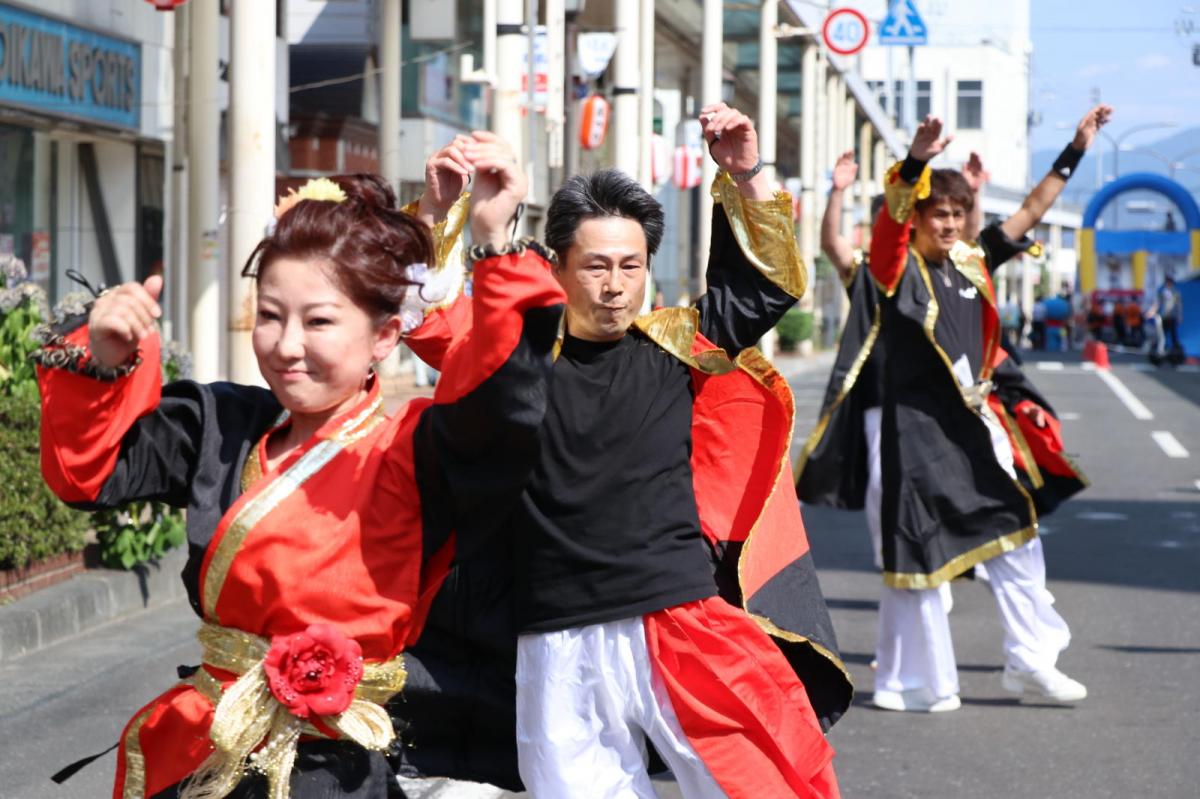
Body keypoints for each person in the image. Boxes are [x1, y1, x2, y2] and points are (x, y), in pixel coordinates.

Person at [35, 168, 565, 797]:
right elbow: (90, 475)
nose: (286, 346)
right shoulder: (221, 428)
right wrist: (104, 355)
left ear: (385, 335)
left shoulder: (412, 450)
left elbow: (504, 406)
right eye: (269, 316)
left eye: (318, 322)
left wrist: (495, 240)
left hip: (333, 765)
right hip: (206, 742)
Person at [407, 107, 850, 798]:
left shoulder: (676, 346)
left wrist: (746, 173)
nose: (614, 285)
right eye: (594, 266)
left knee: (768, 781)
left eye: (630, 265)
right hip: (555, 633)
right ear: (557, 265)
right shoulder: (511, 358)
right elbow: (428, 319)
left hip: (679, 616)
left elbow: (765, 286)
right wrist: (443, 215)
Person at [866, 104, 1111, 713]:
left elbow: (1032, 209)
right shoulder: (895, 269)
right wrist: (916, 160)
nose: (949, 225)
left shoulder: (973, 262)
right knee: (918, 557)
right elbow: (890, 224)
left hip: (979, 423)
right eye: (937, 214)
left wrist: (1075, 149)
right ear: (917, 218)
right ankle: (910, 681)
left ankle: (1031, 660)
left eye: (956, 214)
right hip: (917, 430)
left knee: (1018, 534)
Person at [798, 147, 987, 581]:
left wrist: (975, 192)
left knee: (947, 483)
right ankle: (897, 568)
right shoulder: (869, 271)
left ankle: (940, 562)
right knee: (885, 488)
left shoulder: (936, 270)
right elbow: (832, 244)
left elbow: (971, 248)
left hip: (935, 399)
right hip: (880, 399)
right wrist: (837, 191)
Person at [1148, 274, 1183, 359]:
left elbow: (1179, 306)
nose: (1169, 284)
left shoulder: (1176, 293)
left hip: (1172, 317)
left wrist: (1179, 316)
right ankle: (1159, 352)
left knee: (1173, 335)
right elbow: (1157, 303)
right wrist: (1151, 311)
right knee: (1161, 335)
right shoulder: (1162, 292)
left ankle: (1175, 353)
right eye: (1167, 282)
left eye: (1170, 282)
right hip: (1163, 317)